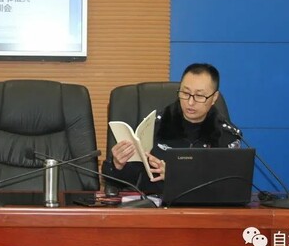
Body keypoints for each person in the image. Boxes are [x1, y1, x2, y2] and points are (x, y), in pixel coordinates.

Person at [102, 63, 240, 193]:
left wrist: (177, 176)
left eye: (199, 96)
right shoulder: (155, 126)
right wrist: (117, 165)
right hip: (157, 205)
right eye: (185, 93)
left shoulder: (226, 135)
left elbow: (232, 187)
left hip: (206, 208)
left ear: (214, 97)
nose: (190, 102)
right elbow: (128, 181)